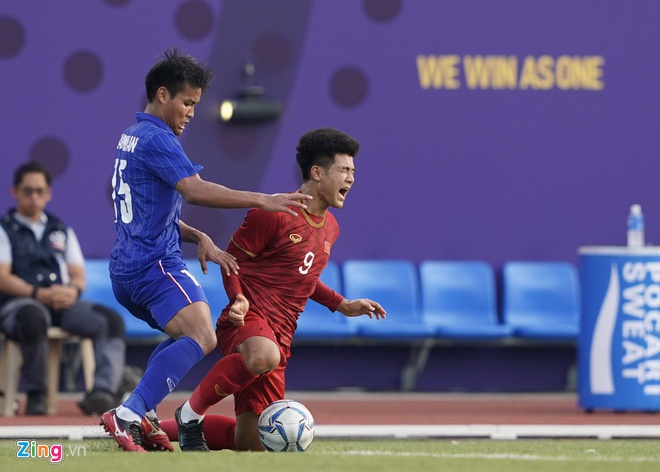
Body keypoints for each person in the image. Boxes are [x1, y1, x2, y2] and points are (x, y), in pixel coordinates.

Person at [100, 48, 312, 452]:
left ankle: (142, 410)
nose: (192, 112)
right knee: (203, 335)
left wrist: (199, 237)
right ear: (163, 95)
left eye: (195, 104)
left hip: (127, 269)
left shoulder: (131, 136)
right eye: (187, 102)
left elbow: (145, 211)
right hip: (154, 266)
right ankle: (127, 415)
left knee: (189, 336)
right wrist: (262, 199)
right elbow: (194, 190)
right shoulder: (157, 138)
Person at [158, 127, 386, 451]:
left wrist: (343, 304)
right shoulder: (273, 214)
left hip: (281, 336)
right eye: (345, 170)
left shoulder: (331, 228)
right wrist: (237, 299)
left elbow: (303, 279)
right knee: (264, 354)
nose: (351, 179)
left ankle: (148, 427)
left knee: (251, 443)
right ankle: (190, 413)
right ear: (317, 172)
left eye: (354, 171)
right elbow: (230, 259)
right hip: (248, 322)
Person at [0, 162, 127, 416]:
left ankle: (102, 391)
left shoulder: (61, 230)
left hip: (61, 303)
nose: (34, 197)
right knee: (33, 317)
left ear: (49, 193)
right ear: (15, 192)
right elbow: (2, 277)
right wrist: (38, 294)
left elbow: (78, 274)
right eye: (28, 191)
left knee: (109, 319)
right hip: (19, 304)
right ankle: (37, 392)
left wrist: (73, 292)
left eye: (40, 191)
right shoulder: (4, 229)